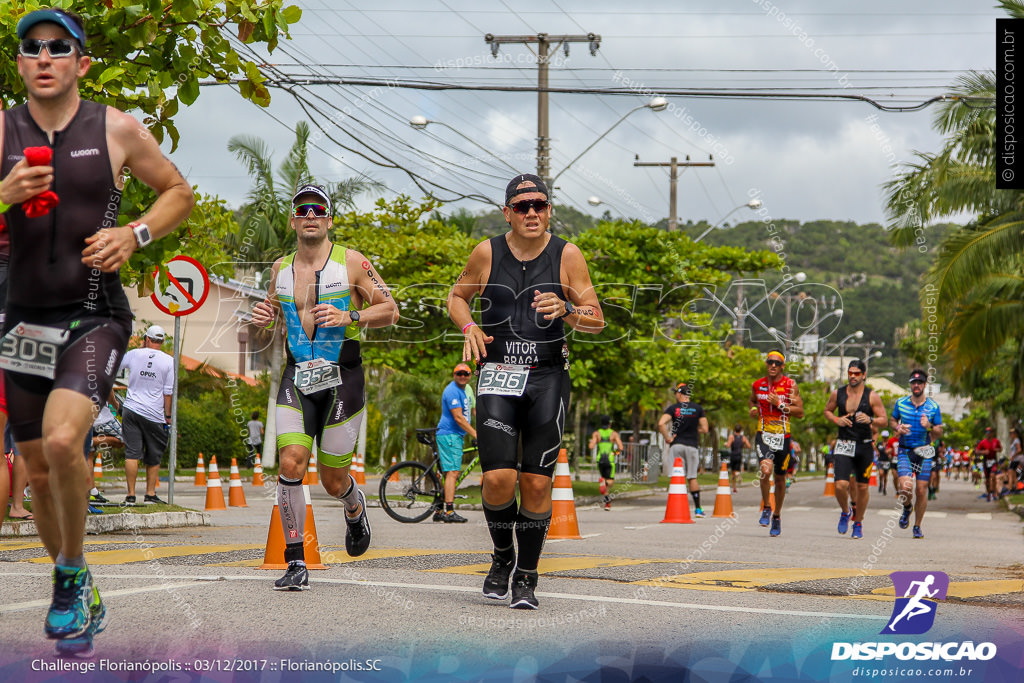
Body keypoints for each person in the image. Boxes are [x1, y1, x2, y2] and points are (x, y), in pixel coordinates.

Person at [0, 8, 194, 655]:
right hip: (23, 319)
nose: (46, 56)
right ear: (22, 63)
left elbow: (176, 191)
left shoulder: (115, 129)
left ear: (81, 61)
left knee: (61, 441)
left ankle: (69, 574)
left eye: (59, 47)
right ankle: (76, 579)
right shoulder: (1, 130)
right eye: (34, 48)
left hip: (94, 313)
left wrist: (133, 233)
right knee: (37, 469)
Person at [448, 173, 604, 610]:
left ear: (549, 209)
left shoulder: (567, 255)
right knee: (498, 478)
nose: (531, 212)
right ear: (507, 213)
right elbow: (456, 297)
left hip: (547, 377)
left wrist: (569, 309)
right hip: (498, 373)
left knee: (536, 486)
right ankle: (502, 557)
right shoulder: (486, 252)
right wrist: (469, 325)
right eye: (522, 206)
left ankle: (528, 577)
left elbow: (597, 318)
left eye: (539, 205)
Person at [251, 183, 398, 591]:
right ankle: (295, 561)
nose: (311, 215)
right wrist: (260, 317)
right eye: (303, 209)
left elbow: (390, 310)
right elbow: (265, 319)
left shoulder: (352, 263)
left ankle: (353, 506)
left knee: (332, 481)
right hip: (297, 377)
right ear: (293, 220)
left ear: (329, 219)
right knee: (291, 463)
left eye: (319, 209)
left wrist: (350, 317)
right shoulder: (279, 269)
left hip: (342, 378)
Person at [824, 359, 888, 540]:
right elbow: (827, 411)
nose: (852, 376)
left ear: (864, 375)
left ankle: (858, 522)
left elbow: (883, 419)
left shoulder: (872, 396)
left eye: (856, 373)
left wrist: (871, 420)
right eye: (850, 373)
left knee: (862, 487)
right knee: (840, 485)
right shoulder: (838, 393)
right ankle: (846, 511)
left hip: (864, 444)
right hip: (844, 443)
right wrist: (837, 420)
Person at [749, 351, 804, 537]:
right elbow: (752, 400)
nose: (772, 365)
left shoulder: (790, 385)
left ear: (782, 366)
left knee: (780, 480)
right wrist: (754, 408)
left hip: (783, 437)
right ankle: (766, 506)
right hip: (763, 434)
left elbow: (800, 412)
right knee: (765, 470)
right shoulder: (758, 385)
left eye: (776, 363)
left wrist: (780, 404)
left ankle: (777, 515)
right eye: (770, 362)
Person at [118, 325, 173, 506]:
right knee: (154, 454)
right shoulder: (169, 361)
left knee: (132, 453)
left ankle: (131, 496)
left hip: (131, 409)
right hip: (154, 414)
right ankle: (150, 494)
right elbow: (168, 392)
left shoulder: (135, 354)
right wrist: (168, 416)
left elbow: (116, 365)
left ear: (146, 338)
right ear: (162, 341)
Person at [890, 369, 943, 539]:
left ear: (925, 385)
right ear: (910, 385)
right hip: (905, 450)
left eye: (919, 383)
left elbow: (939, 430)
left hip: (925, 452)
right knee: (905, 487)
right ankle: (907, 508)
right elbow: (892, 421)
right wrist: (898, 427)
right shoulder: (901, 403)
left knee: (921, 490)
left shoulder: (933, 407)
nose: (916, 385)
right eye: (914, 382)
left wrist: (929, 425)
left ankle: (917, 526)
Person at [658, 382, 709, 517]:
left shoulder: (673, 408)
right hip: (692, 446)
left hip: (677, 445)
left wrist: (668, 437)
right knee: (692, 477)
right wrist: (694, 430)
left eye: (676, 393)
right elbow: (705, 429)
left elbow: (661, 423)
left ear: (680, 394)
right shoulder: (698, 409)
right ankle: (698, 509)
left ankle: (676, 508)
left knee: (676, 477)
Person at [434, 362, 476, 523]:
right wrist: (475, 434)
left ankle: (438, 510)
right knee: (453, 473)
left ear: (470, 376)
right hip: (450, 435)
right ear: (454, 375)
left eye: (466, 374)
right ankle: (449, 511)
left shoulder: (464, 391)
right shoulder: (452, 390)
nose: (463, 376)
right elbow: (458, 417)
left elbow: (470, 412)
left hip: (455, 435)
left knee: (449, 473)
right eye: (459, 373)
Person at [588, 415, 623, 510]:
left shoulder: (596, 433)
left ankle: (607, 504)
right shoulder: (614, 434)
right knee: (610, 482)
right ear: (609, 423)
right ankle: (605, 483)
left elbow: (591, 446)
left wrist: (593, 442)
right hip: (610, 460)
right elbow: (621, 447)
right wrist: (615, 453)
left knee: (605, 485)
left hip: (600, 459)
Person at [975, 427, 1002, 502]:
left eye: (989, 432)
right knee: (987, 479)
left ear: (992, 433)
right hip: (986, 462)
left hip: (993, 461)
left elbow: (1000, 449)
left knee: (992, 476)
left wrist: (997, 450)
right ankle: (988, 493)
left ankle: (993, 493)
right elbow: (977, 451)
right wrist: (983, 452)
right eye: (986, 432)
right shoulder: (983, 442)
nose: (988, 434)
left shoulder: (996, 441)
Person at [725, 424, 750, 493]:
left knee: (733, 472)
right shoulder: (743, 437)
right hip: (739, 455)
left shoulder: (732, 436)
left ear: (734, 430)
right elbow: (749, 446)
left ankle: (734, 487)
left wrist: (725, 444)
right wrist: (743, 446)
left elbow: (728, 445)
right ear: (741, 430)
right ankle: (737, 476)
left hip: (733, 455)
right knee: (737, 470)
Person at [876, 430, 892, 495]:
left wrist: (890, 454)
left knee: (885, 476)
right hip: (880, 460)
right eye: (883, 437)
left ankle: (884, 488)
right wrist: (877, 452)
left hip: (887, 461)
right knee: (881, 473)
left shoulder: (889, 444)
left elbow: (892, 450)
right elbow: (876, 449)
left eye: (886, 437)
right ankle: (880, 483)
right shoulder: (879, 444)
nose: (885, 438)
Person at [1008, 427, 1022, 493]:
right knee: (1013, 475)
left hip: (1015, 460)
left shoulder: (1017, 440)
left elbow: (1019, 449)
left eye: (1012, 433)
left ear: (1015, 433)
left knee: (1010, 474)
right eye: (1010, 433)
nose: (1011, 434)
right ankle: (1016, 488)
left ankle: (1010, 489)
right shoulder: (1014, 440)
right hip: (1014, 460)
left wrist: (1013, 456)